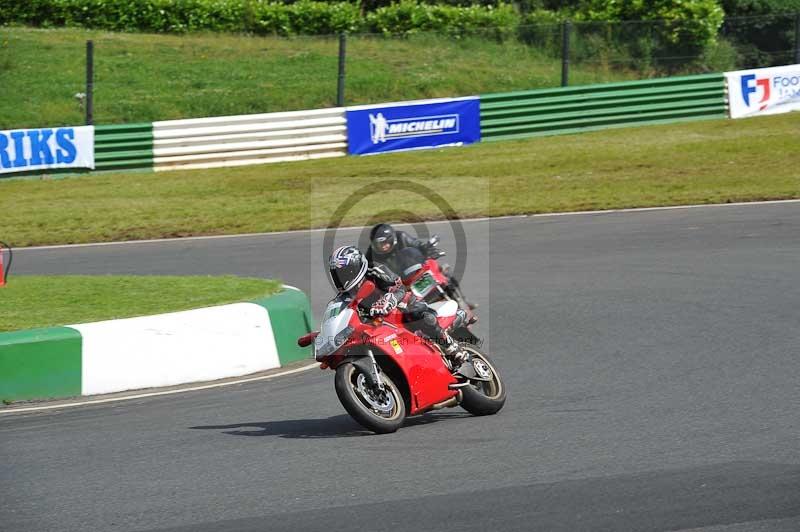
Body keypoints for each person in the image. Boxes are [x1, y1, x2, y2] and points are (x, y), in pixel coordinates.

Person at [328, 245, 472, 376]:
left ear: (356, 266)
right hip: (377, 326)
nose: (342, 279)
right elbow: (342, 314)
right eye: (337, 275)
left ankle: (450, 346)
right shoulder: (344, 296)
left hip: (398, 309)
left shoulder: (374, 271)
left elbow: (399, 287)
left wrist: (390, 299)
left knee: (414, 312)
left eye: (345, 273)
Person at [365, 223, 476, 310]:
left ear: (391, 239)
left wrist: (428, 249)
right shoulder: (371, 254)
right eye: (378, 244)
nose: (382, 247)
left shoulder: (401, 237)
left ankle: (462, 301)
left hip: (414, 271)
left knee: (443, 270)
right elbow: (368, 272)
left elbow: (418, 245)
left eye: (385, 243)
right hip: (399, 284)